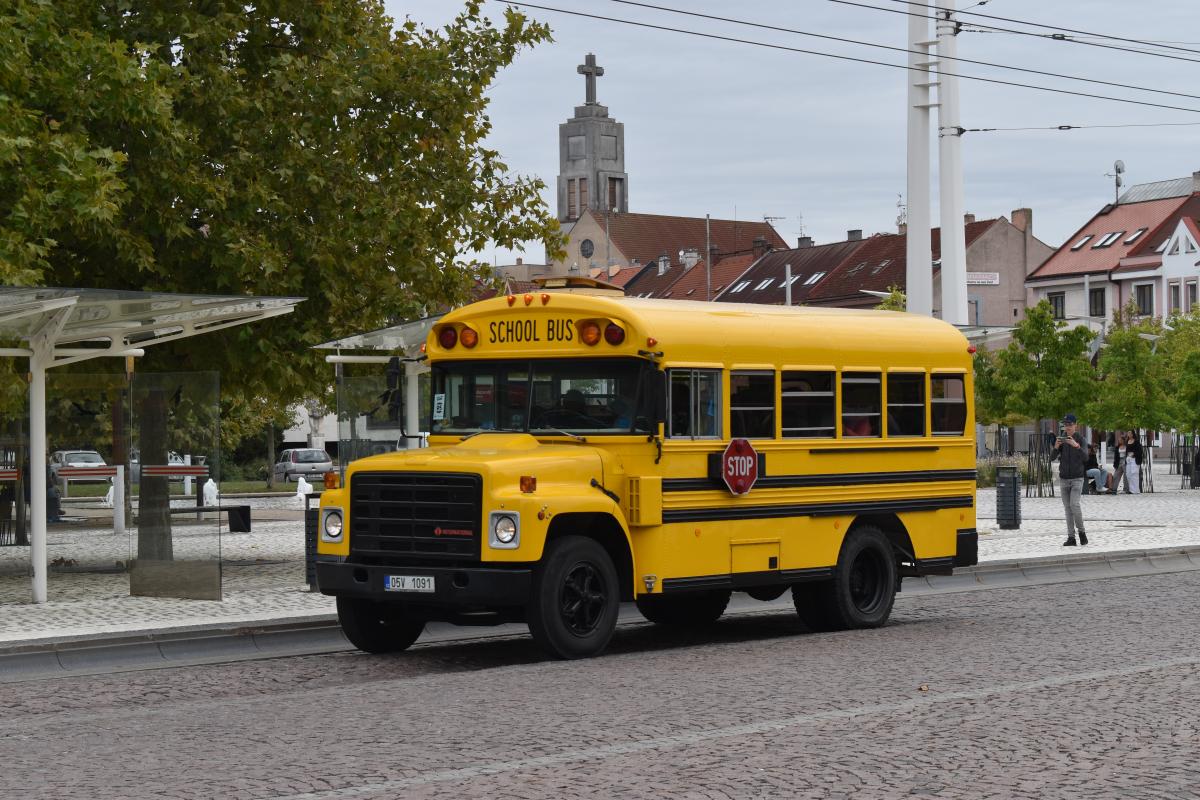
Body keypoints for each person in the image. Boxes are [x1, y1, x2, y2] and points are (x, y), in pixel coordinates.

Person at [1050, 413, 1088, 546]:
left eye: (1070, 425)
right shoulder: (1062, 439)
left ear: (1075, 425)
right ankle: (1071, 537)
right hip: (1064, 478)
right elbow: (1052, 457)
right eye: (1065, 425)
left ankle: (1082, 533)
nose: (1068, 427)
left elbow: (1086, 457)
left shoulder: (1081, 439)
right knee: (1067, 508)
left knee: (1074, 505)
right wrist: (1056, 446)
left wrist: (1076, 445)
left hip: (1077, 478)